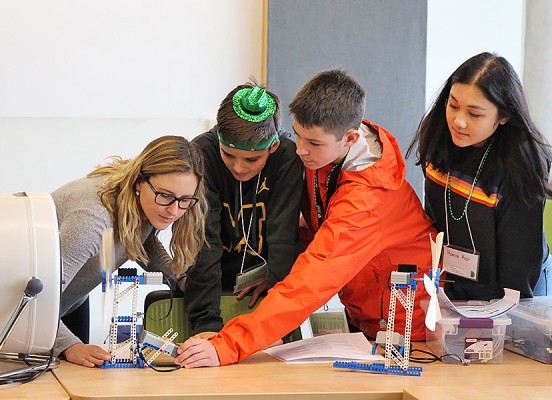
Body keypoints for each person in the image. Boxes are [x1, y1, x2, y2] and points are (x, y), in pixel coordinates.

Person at [175, 68, 436, 368]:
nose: (299, 150)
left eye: (312, 143)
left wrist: (228, 345)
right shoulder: (324, 152)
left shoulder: (367, 201)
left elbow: (309, 283)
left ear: (350, 138)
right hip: (367, 313)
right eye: (297, 136)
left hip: (409, 325)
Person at [407, 52, 552, 301]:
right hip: (456, 281)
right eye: (453, 105)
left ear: (504, 116)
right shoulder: (439, 135)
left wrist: (505, 315)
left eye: (474, 114)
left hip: (516, 291)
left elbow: (519, 265)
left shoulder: (522, 164)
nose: (459, 122)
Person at [52, 135, 207, 367]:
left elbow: (140, 240)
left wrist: (179, 278)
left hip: (68, 300)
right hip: (27, 308)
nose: (174, 210)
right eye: (165, 195)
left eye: (185, 200)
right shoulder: (92, 221)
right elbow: (33, 299)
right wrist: (68, 345)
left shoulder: (137, 200)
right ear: (139, 182)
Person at [184, 83, 304, 337]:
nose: (239, 168)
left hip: (263, 287)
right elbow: (205, 240)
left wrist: (275, 282)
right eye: (228, 155)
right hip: (207, 284)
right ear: (218, 140)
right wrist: (206, 324)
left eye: (251, 159)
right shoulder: (202, 152)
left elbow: (283, 235)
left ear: (272, 147)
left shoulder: (287, 157)